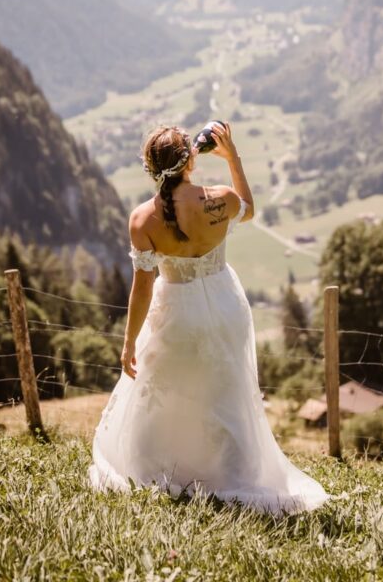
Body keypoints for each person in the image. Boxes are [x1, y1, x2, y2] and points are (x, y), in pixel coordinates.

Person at [88, 121, 329, 514]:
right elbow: (249, 209)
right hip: (226, 307)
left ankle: (168, 471)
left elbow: (143, 288)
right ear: (190, 162)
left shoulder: (142, 219)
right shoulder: (221, 200)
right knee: (225, 393)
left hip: (177, 315)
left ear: (150, 167)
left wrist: (129, 341)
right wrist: (232, 156)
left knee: (169, 394)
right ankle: (231, 473)